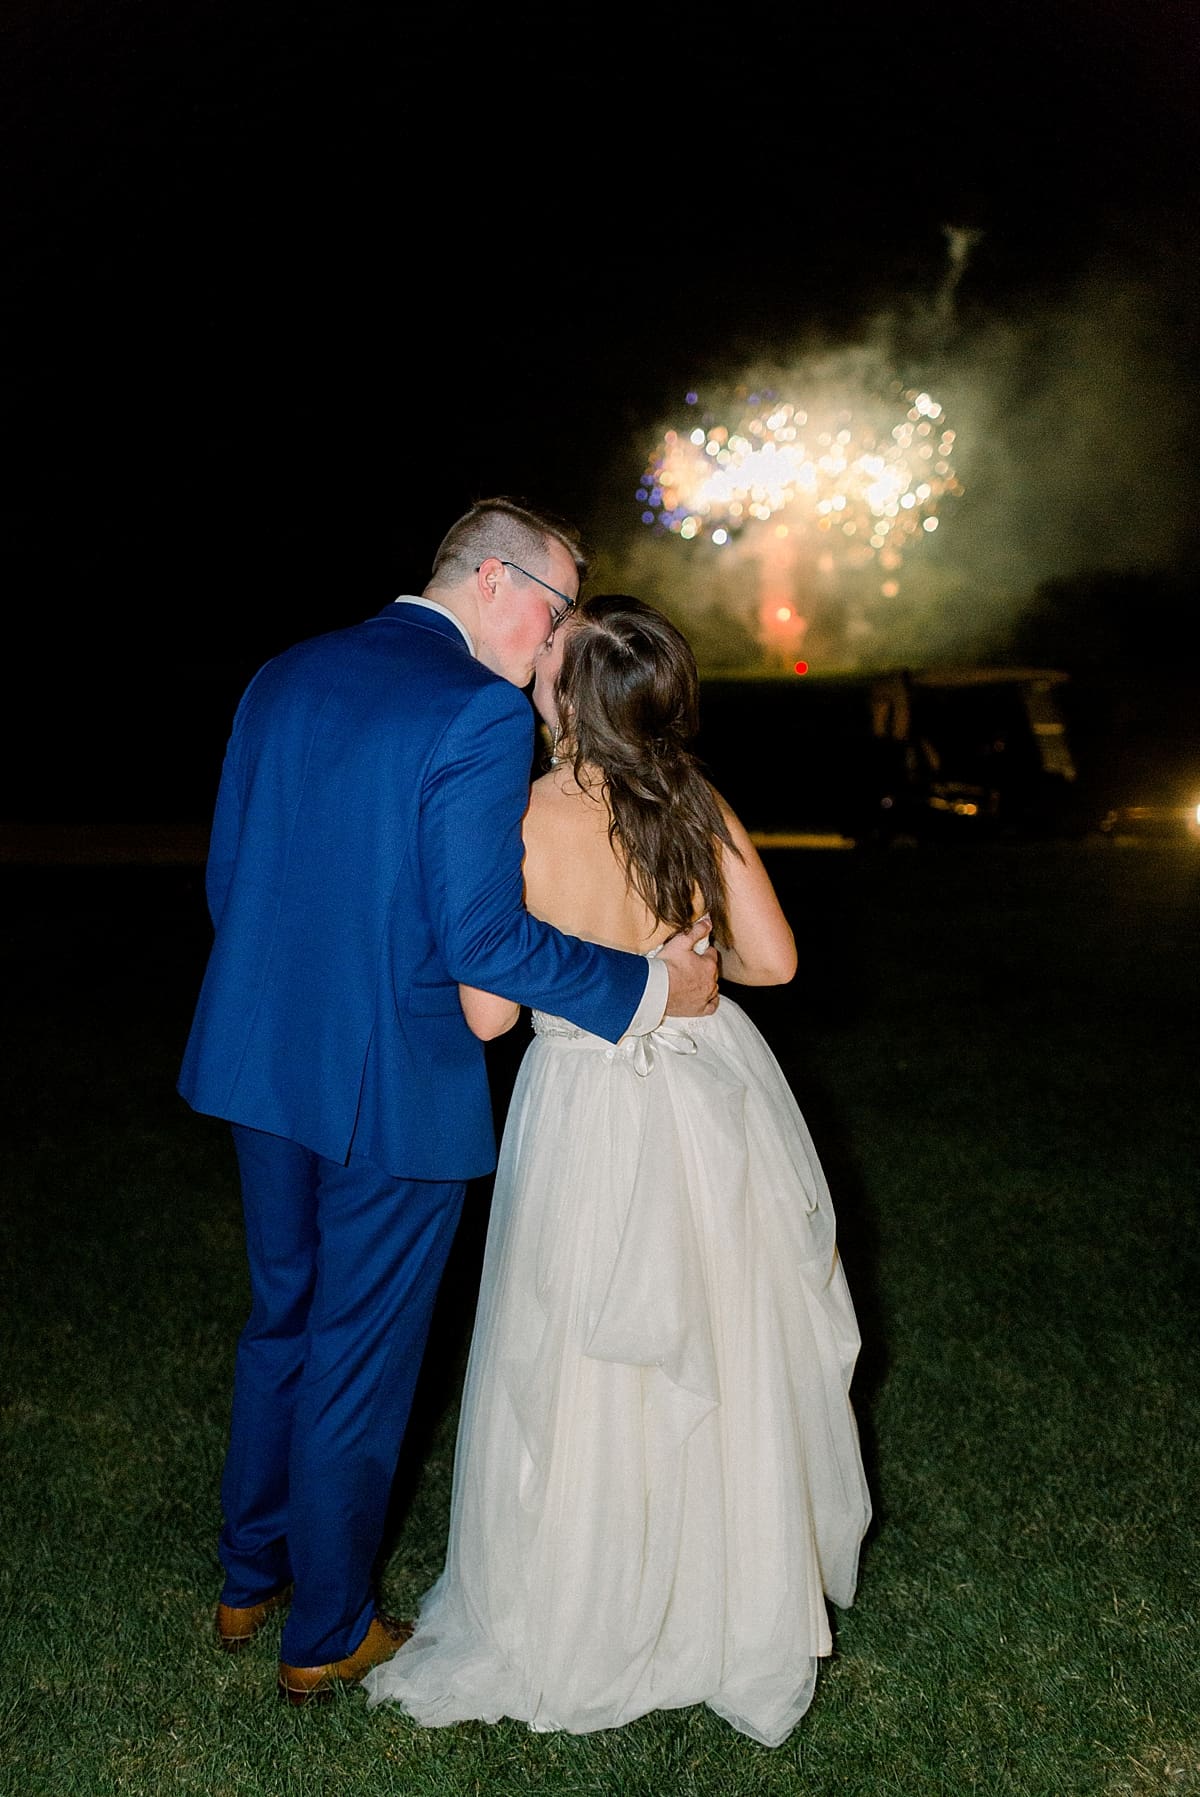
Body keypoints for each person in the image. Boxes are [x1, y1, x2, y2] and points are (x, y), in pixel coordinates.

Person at [176, 502, 720, 1704]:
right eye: (556, 609)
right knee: (358, 1359)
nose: (557, 640)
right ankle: (326, 1630)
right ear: (493, 582)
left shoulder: (284, 671)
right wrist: (651, 986)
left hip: (262, 1061)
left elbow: (232, 882)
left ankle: (247, 1577)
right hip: (394, 1084)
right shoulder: (475, 710)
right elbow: (485, 940)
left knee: (282, 1321)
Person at [361, 595, 872, 1748]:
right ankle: (720, 1600)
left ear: (564, 700)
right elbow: (776, 961)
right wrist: (688, 960)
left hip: (586, 1099)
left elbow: (490, 1015)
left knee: (581, 1347)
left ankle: (585, 1603)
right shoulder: (695, 801)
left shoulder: (521, 817)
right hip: (712, 1093)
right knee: (720, 1340)